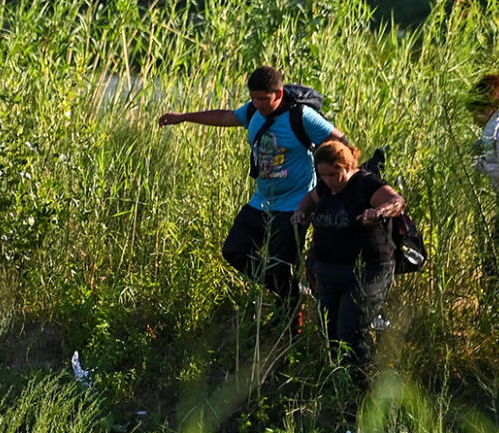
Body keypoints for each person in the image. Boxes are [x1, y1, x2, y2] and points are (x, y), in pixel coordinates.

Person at [157, 66, 345, 312]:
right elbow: (225, 117)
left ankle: (288, 324)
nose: (257, 104)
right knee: (234, 250)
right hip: (262, 201)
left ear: (278, 94)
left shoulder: (302, 116)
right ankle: (292, 291)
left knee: (281, 266)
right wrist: (183, 116)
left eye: (263, 99)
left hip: (294, 205)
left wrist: (332, 183)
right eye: (254, 98)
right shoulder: (252, 111)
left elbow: (340, 142)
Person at [291, 141, 404, 370]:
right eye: (322, 175)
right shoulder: (324, 187)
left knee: (350, 331)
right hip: (329, 271)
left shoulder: (365, 184)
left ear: (347, 166)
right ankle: (340, 385)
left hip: (367, 270)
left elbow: (396, 202)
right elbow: (310, 199)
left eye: (333, 174)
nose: (328, 180)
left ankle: (365, 388)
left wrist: (378, 212)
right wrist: (301, 212)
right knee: (329, 332)